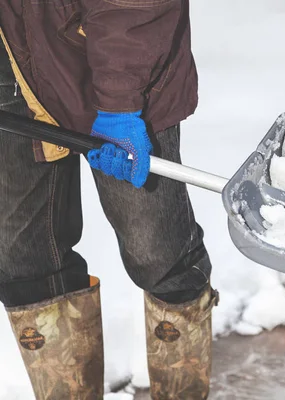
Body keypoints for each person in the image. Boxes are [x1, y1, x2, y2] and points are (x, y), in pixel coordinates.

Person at [0, 1, 217, 399]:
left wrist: (120, 104)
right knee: (24, 259)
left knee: (157, 251)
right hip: (8, 57)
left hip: (114, 58)